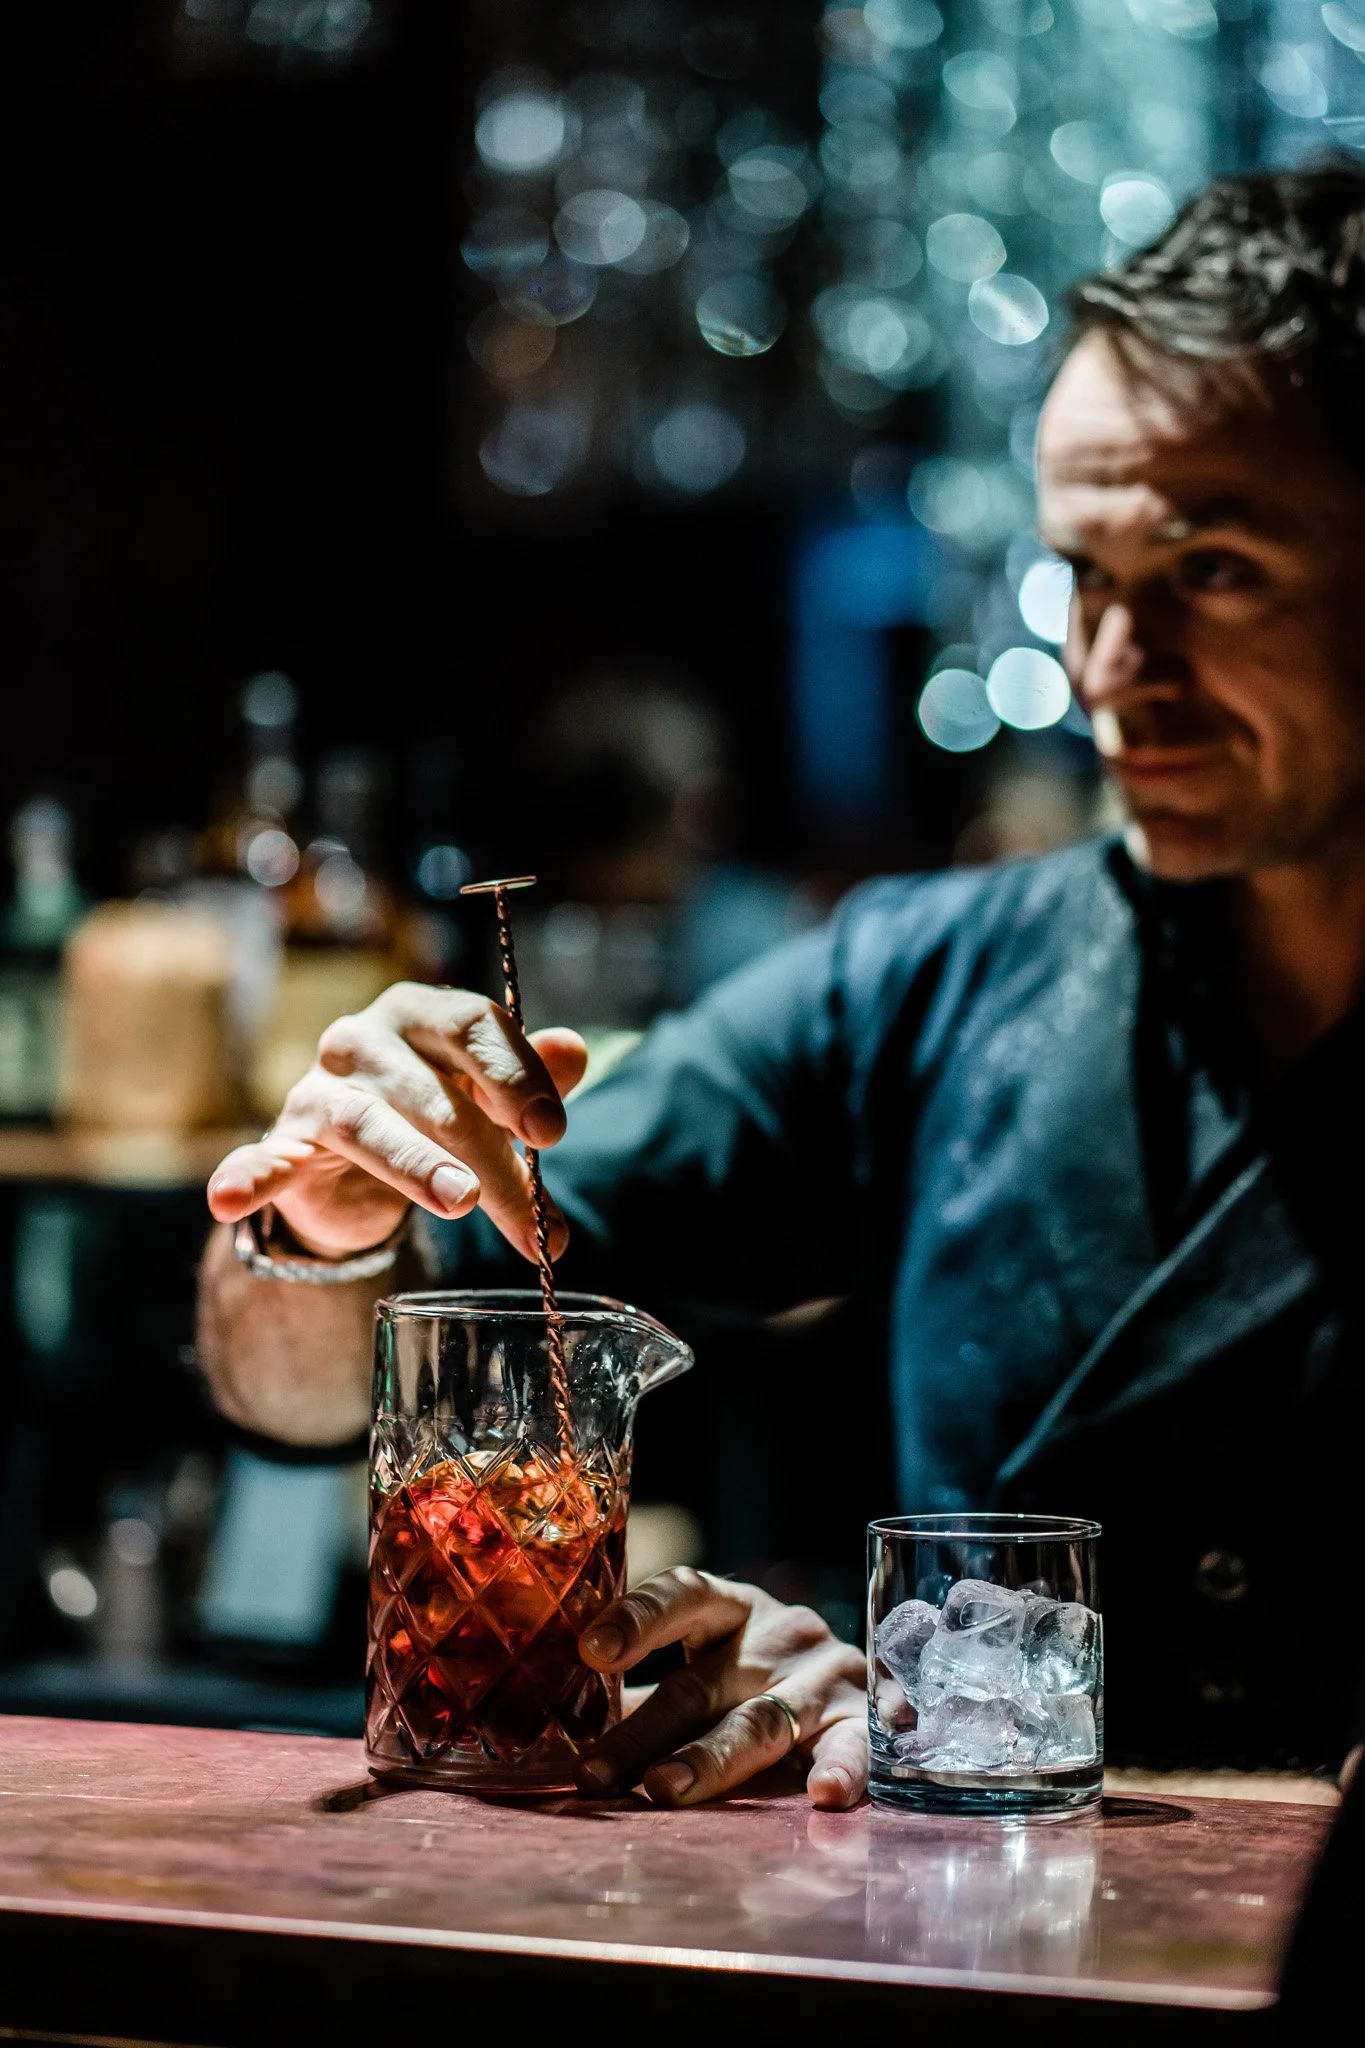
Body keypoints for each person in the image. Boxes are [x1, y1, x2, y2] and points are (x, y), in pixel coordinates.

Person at [199, 165, 1365, 1810]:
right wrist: (324, 1219)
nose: (1112, 669)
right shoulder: (938, 982)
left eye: (1213, 572)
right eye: (1086, 580)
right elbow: (336, 1370)